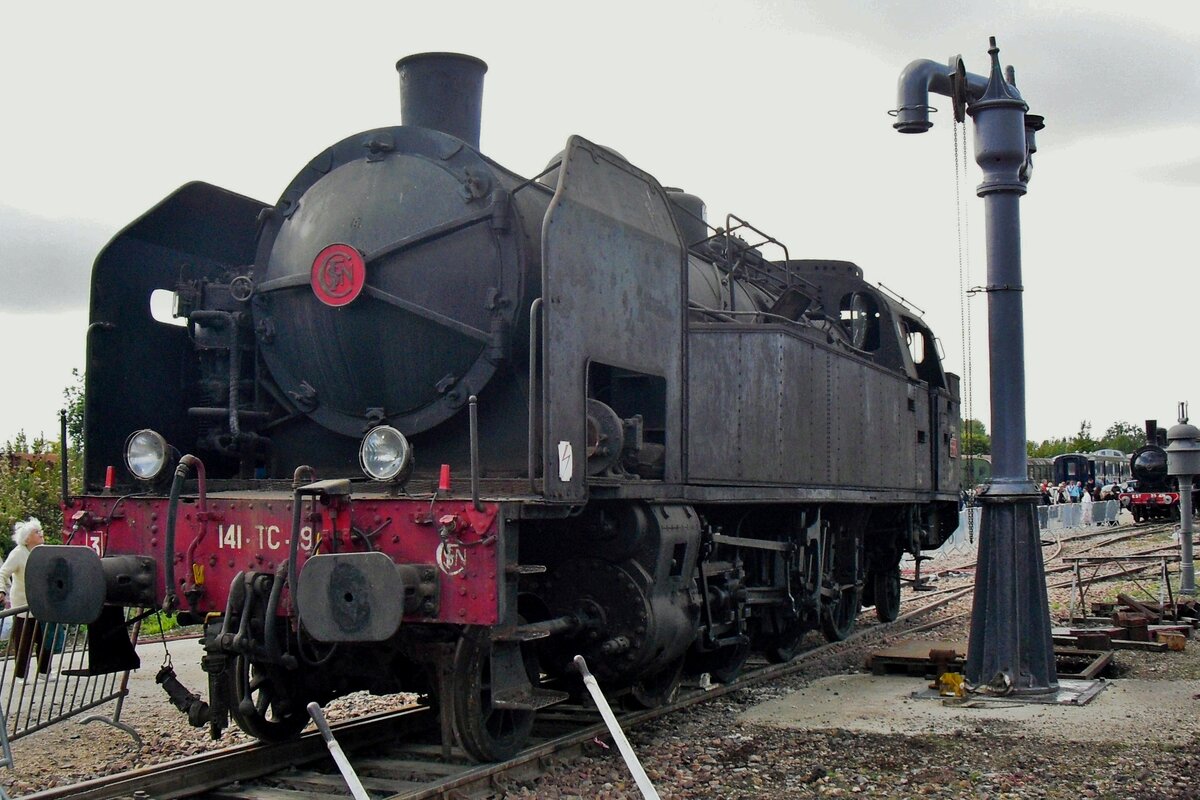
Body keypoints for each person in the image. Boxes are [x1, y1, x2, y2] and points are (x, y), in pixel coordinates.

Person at [0, 518, 57, 684]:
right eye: (36, 532)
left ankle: (44, 671)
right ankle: (20, 675)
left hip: (43, 603)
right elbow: (3, 572)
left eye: (40, 531)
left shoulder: (44, 551)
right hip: (23, 604)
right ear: (27, 538)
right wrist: (1, 589)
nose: (41, 534)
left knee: (46, 639)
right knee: (23, 642)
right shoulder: (18, 553)